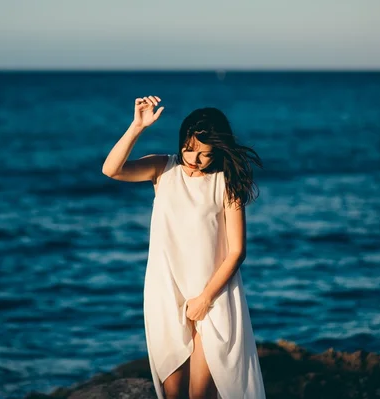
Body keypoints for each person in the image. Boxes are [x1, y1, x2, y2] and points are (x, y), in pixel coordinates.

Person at [102, 95, 266, 399]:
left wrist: (204, 299)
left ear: (218, 151)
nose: (193, 159)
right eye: (189, 149)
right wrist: (137, 127)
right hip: (166, 293)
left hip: (212, 298)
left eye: (204, 154)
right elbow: (111, 170)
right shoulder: (163, 169)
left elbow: (237, 251)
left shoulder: (226, 183)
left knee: (200, 396)